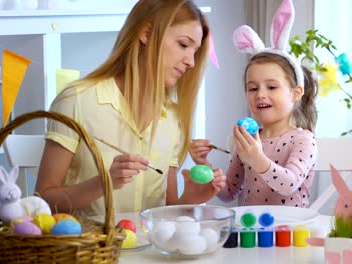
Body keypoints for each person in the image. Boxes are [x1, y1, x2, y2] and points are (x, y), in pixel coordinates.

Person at [35, 0, 226, 216]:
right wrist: (103, 183)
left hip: (150, 248)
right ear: (146, 34)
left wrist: (191, 199)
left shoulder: (173, 119)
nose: (191, 62)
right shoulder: (77, 100)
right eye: (183, 44)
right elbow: (43, 200)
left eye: (195, 51)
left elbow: (165, 213)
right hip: (91, 247)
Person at [189, 0, 318, 207]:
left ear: (296, 93)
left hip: (290, 234)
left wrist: (257, 158)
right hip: (250, 234)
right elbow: (228, 192)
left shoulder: (303, 140)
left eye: (272, 87)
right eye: (253, 88)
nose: (260, 95)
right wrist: (205, 166)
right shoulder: (248, 141)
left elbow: (289, 184)